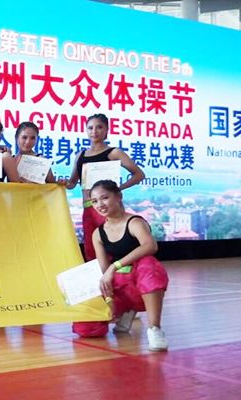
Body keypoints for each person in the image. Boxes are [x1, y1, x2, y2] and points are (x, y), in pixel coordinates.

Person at [74, 180, 168, 352]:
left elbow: (150, 246)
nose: (100, 204)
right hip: (120, 286)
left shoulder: (134, 222)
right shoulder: (98, 233)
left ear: (119, 196)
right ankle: (125, 311)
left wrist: (114, 266)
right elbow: (104, 271)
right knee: (85, 328)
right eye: (94, 201)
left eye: (104, 198)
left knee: (148, 264)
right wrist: (108, 301)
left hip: (140, 284)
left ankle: (155, 329)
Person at [61, 114, 145, 261]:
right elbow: (72, 183)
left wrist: (117, 189)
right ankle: (98, 276)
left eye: (99, 127)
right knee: (91, 248)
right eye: (90, 128)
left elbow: (139, 174)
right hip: (88, 207)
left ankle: (120, 274)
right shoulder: (80, 155)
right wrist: (62, 183)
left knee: (114, 246)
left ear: (107, 130)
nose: (94, 131)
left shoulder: (114, 153)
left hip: (109, 208)